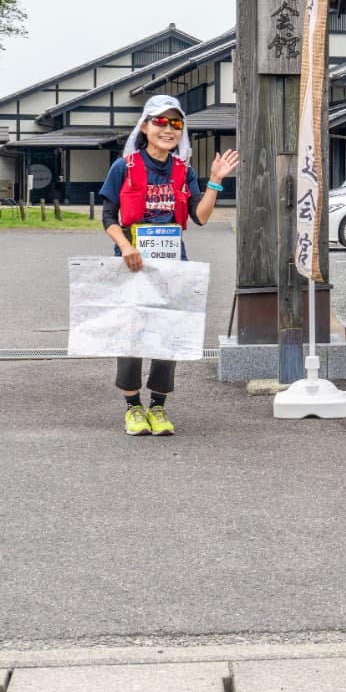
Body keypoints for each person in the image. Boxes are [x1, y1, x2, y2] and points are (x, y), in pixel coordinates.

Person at [99, 95, 239, 436]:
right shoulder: (125, 167)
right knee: (132, 332)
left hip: (173, 264)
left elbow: (200, 216)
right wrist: (126, 246)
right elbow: (108, 217)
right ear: (144, 126)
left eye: (176, 123)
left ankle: (158, 407)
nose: (168, 129)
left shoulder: (183, 170)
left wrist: (216, 180)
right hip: (133, 263)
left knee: (169, 332)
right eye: (160, 121)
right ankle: (133, 407)